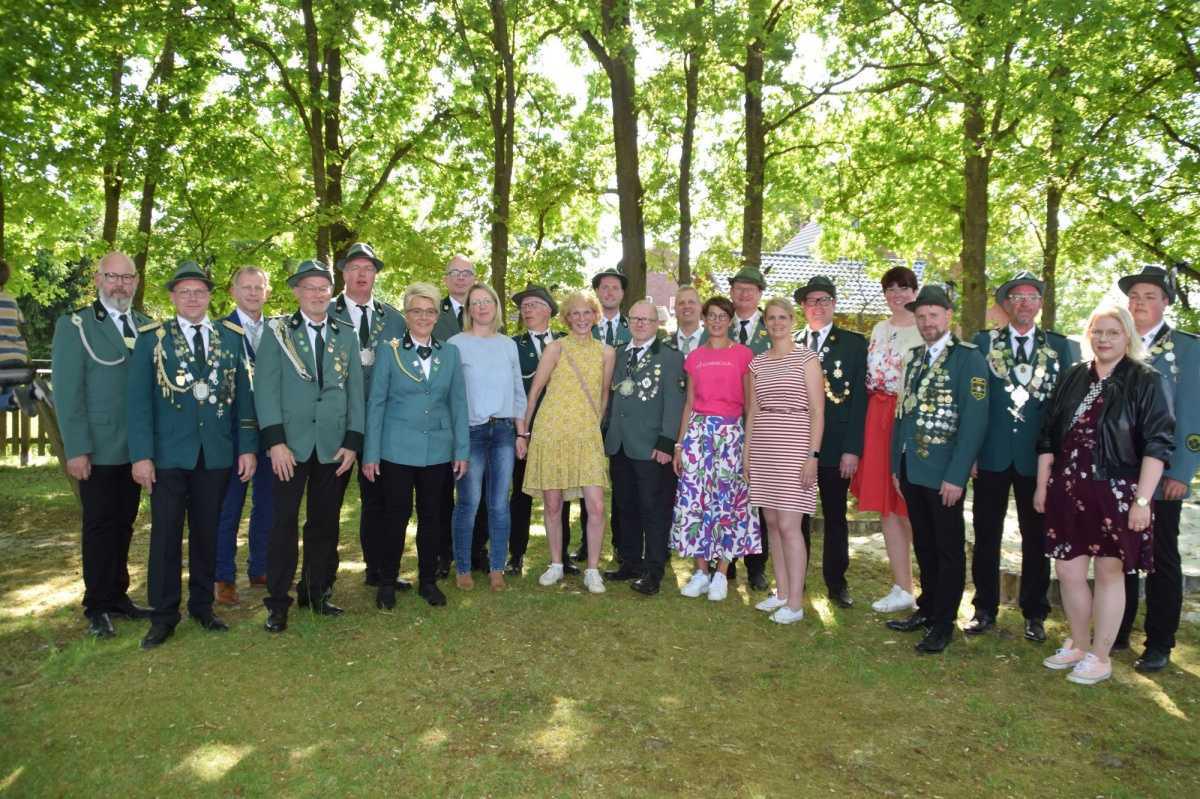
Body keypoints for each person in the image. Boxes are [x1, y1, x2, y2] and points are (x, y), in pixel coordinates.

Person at [1035, 303, 1173, 685]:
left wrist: (1143, 501)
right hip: (1067, 485)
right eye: (1098, 331)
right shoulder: (1074, 376)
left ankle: (1101, 657)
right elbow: (1048, 432)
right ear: (1089, 335)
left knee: (1110, 571)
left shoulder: (1145, 379)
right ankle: (1079, 644)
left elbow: (1158, 445)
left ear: (1127, 336)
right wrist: (1042, 483)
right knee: (1068, 569)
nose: (1104, 339)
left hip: (1118, 490)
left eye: (1113, 332)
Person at [127, 261, 258, 649]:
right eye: (184, 292)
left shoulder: (229, 337)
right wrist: (141, 456)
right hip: (168, 456)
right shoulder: (153, 338)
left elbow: (245, 401)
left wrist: (248, 448)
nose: (192, 298)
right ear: (172, 297)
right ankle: (164, 615)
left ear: (210, 297)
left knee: (207, 534)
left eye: (199, 292)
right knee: (166, 536)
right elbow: (138, 403)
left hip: (215, 455)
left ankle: (202, 606)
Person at [966, 270, 1079, 642]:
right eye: (1016, 297)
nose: (1024, 304)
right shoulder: (984, 344)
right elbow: (974, 402)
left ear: (1040, 304)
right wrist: (972, 452)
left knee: (1037, 538)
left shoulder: (1060, 348)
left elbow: (1066, 408)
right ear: (1005, 305)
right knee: (986, 535)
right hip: (992, 455)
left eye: (1031, 297)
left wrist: (1060, 457)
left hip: (1038, 458)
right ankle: (984, 607)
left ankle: (1035, 612)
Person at [256, 259, 364, 633]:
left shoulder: (345, 332)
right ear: (296, 292)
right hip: (290, 446)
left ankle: (317, 591)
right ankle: (277, 603)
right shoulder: (278, 332)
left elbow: (355, 393)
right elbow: (265, 390)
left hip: (332, 446)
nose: (317, 294)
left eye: (323, 288)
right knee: (283, 523)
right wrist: (275, 442)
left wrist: (352, 441)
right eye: (310, 287)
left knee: (325, 524)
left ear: (330, 293)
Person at [51, 252, 154, 638]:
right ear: (97, 279)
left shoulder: (146, 325)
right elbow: (67, 391)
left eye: (127, 278)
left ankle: (118, 596)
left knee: (125, 523)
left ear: (136, 281)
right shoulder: (75, 325)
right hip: (97, 445)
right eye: (112, 277)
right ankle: (96, 605)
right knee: (98, 525)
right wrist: (76, 448)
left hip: (136, 448)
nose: (120, 285)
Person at [887, 285, 988, 654]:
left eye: (934, 315)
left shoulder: (968, 359)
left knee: (947, 549)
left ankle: (944, 622)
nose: (927, 322)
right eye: (922, 316)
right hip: (912, 468)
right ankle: (927, 609)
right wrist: (896, 465)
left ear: (948, 317)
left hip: (944, 472)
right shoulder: (914, 358)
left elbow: (974, 422)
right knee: (925, 545)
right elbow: (902, 413)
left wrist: (956, 475)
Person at [363, 283, 469, 609]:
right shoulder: (389, 350)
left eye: (429, 311)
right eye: (416, 311)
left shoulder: (449, 353)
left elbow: (458, 404)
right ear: (406, 315)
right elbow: (377, 403)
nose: (423, 317)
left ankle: (427, 581)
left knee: (432, 517)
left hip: (438, 449)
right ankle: (386, 582)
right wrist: (370, 454)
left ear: (437, 316)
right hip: (396, 449)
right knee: (395, 516)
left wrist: (461, 450)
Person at [1116, 265, 1199, 672]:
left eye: (1149, 297)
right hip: (1118, 472)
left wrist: (1181, 472)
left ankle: (1160, 641)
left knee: (1161, 555)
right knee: (1121, 552)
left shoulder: (1187, 349)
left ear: (1166, 302)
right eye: (1134, 297)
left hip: (1163, 475)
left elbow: (1193, 414)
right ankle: (1118, 628)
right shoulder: (1117, 343)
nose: (1140, 303)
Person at [522, 291, 616, 593]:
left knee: (597, 506)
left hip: (585, 435)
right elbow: (535, 392)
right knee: (552, 504)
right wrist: (524, 432)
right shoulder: (555, 348)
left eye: (586, 312)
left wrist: (592, 427)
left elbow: (603, 396)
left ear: (595, 315)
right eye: (574, 313)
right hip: (551, 432)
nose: (581, 318)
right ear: (566, 318)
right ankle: (556, 563)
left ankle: (591, 569)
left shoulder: (606, 352)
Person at [670, 296, 761, 601]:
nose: (717, 321)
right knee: (695, 500)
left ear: (731, 320)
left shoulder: (744, 355)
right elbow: (689, 403)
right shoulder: (695, 357)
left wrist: (748, 446)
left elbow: (751, 406)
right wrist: (680, 444)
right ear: (705, 319)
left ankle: (722, 572)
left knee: (728, 502)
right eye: (712, 316)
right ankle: (700, 572)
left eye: (723, 316)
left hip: (731, 435)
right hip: (698, 434)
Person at [328, 242, 407, 591]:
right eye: (354, 268)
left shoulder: (394, 319)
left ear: (376, 274)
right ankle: (322, 580)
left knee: (380, 500)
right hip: (337, 424)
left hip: (382, 424)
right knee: (326, 505)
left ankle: (379, 570)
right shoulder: (325, 313)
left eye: (368, 268)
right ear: (343, 273)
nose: (361, 274)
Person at [744, 298, 825, 624]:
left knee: (791, 526)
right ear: (765, 323)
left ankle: (795, 602)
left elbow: (818, 411)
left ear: (792, 320)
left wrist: (813, 456)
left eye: (782, 317)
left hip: (796, 447)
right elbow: (751, 411)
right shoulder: (757, 363)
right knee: (773, 524)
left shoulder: (807, 358)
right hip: (764, 446)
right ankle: (780, 593)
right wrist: (748, 454)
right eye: (771, 318)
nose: (776, 322)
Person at [851, 266, 922, 613]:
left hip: (907, 418)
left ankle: (931, 587)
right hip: (876, 416)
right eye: (891, 289)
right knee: (886, 506)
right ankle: (901, 586)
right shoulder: (879, 328)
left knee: (909, 503)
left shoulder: (926, 327)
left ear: (915, 291)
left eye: (904, 288)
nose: (898, 295)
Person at [793, 275, 867, 608]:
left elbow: (860, 401)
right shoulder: (791, 342)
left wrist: (853, 448)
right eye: (811, 301)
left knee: (836, 516)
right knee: (798, 516)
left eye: (824, 300)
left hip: (837, 447)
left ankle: (837, 583)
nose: (817, 306)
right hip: (797, 444)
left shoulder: (853, 344)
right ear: (803, 307)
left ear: (834, 304)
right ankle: (797, 577)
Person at [603, 300, 685, 595]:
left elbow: (675, 403)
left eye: (646, 320)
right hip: (621, 444)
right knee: (625, 506)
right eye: (635, 319)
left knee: (654, 509)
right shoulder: (620, 353)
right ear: (628, 321)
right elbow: (612, 399)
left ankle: (653, 569)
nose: (640, 324)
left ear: (656, 324)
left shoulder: (669, 356)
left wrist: (667, 442)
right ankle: (630, 562)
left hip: (652, 446)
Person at [449, 283, 527, 591]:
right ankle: (463, 568)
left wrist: (522, 432)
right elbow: (451, 396)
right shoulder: (456, 344)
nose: (481, 307)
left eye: (487, 301)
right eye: (475, 302)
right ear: (468, 310)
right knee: (468, 502)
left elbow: (518, 392)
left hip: (505, 431)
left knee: (499, 503)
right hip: (471, 433)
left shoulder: (508, 345)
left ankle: (497, 568)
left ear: (496, 306)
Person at [214, 266, 275, 606]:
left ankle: (261, 567)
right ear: (233, 291)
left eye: (259, 287)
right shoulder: (219, 330)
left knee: (268, 504)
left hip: (271, 434)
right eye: (246, 287)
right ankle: (223, 577)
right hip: (233, 434)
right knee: (229, 507)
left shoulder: (279, 331)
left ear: (267, 292)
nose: (253, 293)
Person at [506, 284, 573, 576]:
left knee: (562, 494)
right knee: (520, 494)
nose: (527, 310)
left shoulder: (567, 342)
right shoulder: (512, 344)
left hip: (560, 430)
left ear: (548, 309)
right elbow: (511, 390)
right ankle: (516, 554)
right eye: (524, 306)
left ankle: (563, 556)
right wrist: (521, 431)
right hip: (525, 430)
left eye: (533, 304)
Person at [432, 254, 489, 574]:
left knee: (477, 486)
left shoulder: (488, 313)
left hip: (480, 415)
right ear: (446, 278)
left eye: (467, 273)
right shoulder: (432, 314)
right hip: (442, 415)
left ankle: (477, 549)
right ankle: (443, 553)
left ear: (475, 277)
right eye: (454, 273)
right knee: (442, 490)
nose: (461, 278)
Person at [572, 265, 630, 565]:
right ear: (596, 292)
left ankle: (621, 544)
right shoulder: (583, 326)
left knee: (621, 483)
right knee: (586, 481)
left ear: (622, 294)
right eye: (604, 287)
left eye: (615, 288)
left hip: (622, 416)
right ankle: (585, 543)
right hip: (587, 414)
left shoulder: (633, 328)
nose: (609, 292)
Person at [727, 265, 772, 590]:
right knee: (726, 493)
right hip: (725, 424)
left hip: (764, 423)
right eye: (738, 288)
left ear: (759, 294)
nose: (743, 294)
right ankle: (724, 559)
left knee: (760, 495)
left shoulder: (773, 330)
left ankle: (757, 565)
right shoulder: (717, 326)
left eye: (750, 289)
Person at [0, 258, 31, 412]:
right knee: (9, 401)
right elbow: (22, 324)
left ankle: (14, 397)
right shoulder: (11, 300)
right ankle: (15, 397)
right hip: (17, 358)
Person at [666, 284, 706, 355]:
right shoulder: (664, 346)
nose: (687, 306)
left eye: (691, 302)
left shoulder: (713, 343)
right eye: (681, 303)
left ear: (700, 307)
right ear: (675, 309)